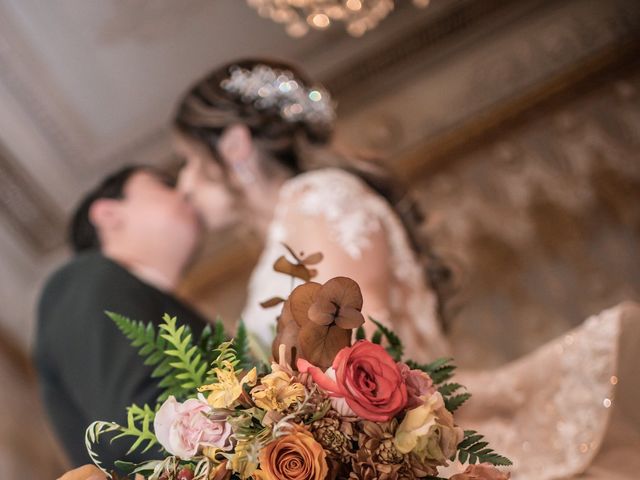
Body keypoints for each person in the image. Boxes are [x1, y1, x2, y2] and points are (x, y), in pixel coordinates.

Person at [172, 58, 640, 479]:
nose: (185, 185)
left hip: (402, 442)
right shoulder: (288, 229)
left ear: (234, 145)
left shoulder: (317, 197)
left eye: (192, 161)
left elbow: (361, 334)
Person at [34, 166, 217, 470]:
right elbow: (133, 428)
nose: (185, 190)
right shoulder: (86, 279)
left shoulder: (137, 293)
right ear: (108, 214)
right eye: (165, 184)